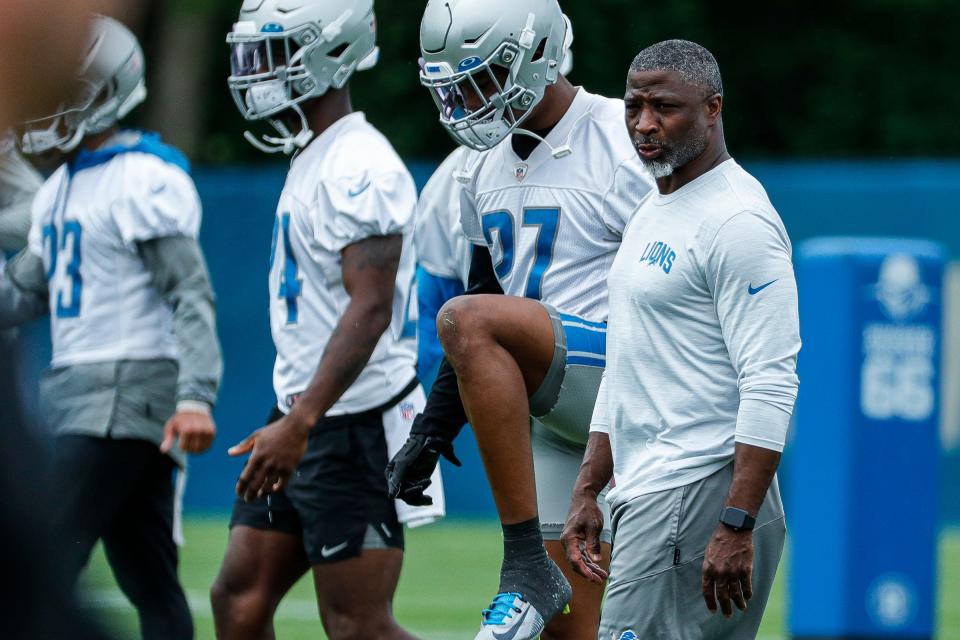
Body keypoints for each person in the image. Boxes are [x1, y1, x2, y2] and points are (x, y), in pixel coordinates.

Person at [386, 1, 651, 638]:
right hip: (556, 415)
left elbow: (680, 285)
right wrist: (432, 429)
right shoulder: (479, 167)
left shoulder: (623, 136)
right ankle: (534, 567)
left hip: (626, 382)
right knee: (574, 628)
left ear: (536, 54)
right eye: (454, 86)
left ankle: (523, 560)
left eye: (481, 78)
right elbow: (480, 304)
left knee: (473, 320)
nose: (468, 101)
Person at [211, 2, 443, 639]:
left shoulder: (358, 165)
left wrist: (302, 422)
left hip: (346, 424)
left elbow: (370, 309)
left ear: (329, 54)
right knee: (239, 600)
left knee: (357, 626)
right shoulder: (314, 153)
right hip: (301, 414)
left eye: (276, 52)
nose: (258, 71)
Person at [561, 40, 800, 639]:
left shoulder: (738, 219)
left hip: (698, 491)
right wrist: (589, 487)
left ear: (713, 109)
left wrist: (736, 523)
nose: (644, 124)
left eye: (664, 107)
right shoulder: (654, 203)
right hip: (653, 493)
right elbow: (627, 362)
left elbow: (770, 379)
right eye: (634, 106)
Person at [0, 14, 223, 640]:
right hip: (85, 395)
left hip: (121, 396)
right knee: (147, 576)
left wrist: (195, 395)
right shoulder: (61, 190)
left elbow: (190, 293)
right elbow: (24, 288)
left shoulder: (144, 176)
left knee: (45, 555)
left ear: (107, 93)